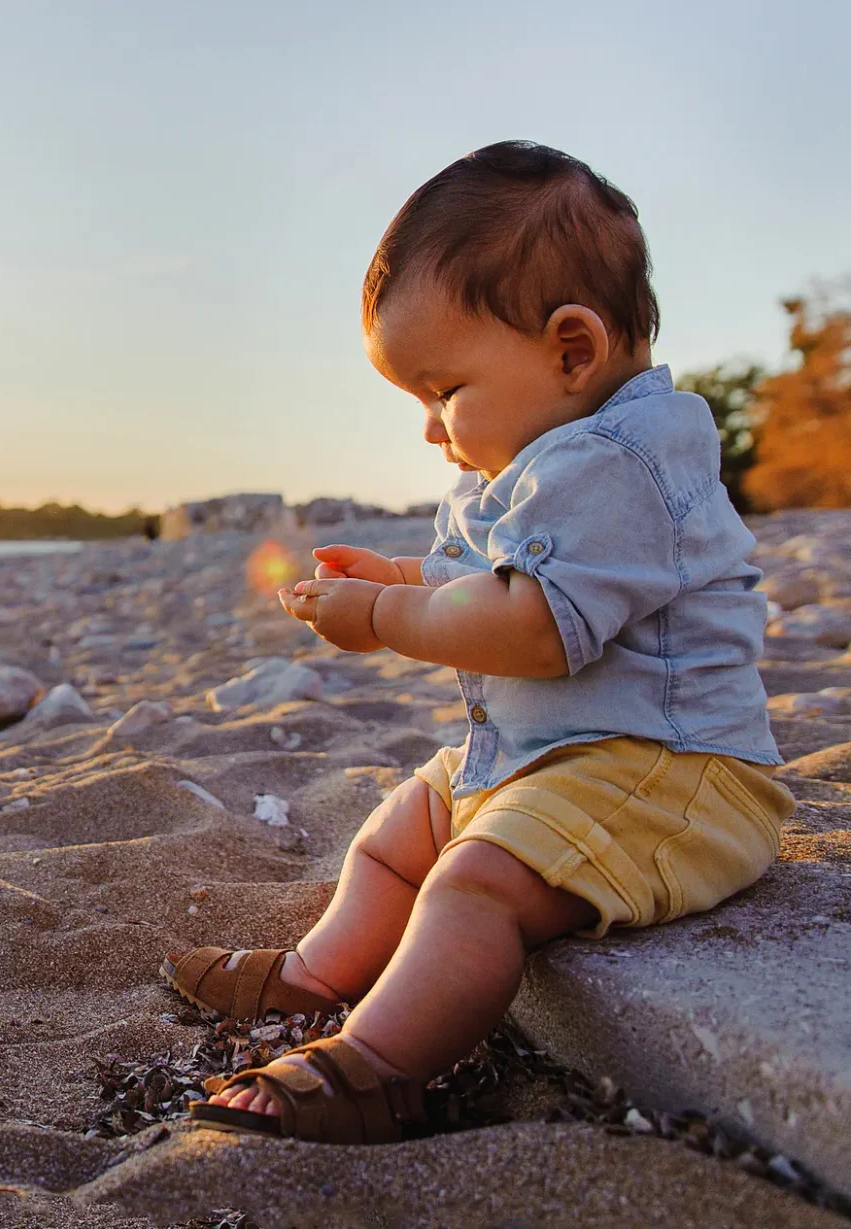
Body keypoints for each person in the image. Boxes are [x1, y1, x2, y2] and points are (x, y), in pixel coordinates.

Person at [164, 141, 794, 1144]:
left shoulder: (620, 462)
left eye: (443, 390)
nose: (428, 428)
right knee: (399, 828)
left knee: (473, 881)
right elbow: (474, 586)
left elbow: (534, 627)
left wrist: (386, 619)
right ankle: (319, 972)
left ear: (572, 351)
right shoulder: (528, 465)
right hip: (560, 758)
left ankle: (378, 1064)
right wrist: (396, 584)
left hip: (674, 772)